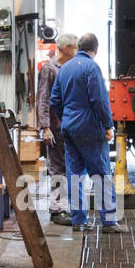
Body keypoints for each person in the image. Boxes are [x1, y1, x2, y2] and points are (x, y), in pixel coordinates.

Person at [49, 32, 125, 233]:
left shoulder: (64, 69)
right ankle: (108, 222)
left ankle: (79, 222)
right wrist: (108, 125)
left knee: (75, 175)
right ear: (96, 49)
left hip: (69, 128)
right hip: (90, 128)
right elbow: (99, 100)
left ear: (79, 47)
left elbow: (54, 100)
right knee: (100, 174)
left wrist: (66, 117)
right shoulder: (92, 67)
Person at [36, 33, 77, 226]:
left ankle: (64, 207)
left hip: (66, 128)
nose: (77, 51)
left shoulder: (66, 68)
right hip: (54, 129)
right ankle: (57, 209)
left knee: (67, 168)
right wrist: (45, 127)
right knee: (57, 169)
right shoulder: (49, 70)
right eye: (75, 47)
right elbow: (43, 100)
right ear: (65, 48)